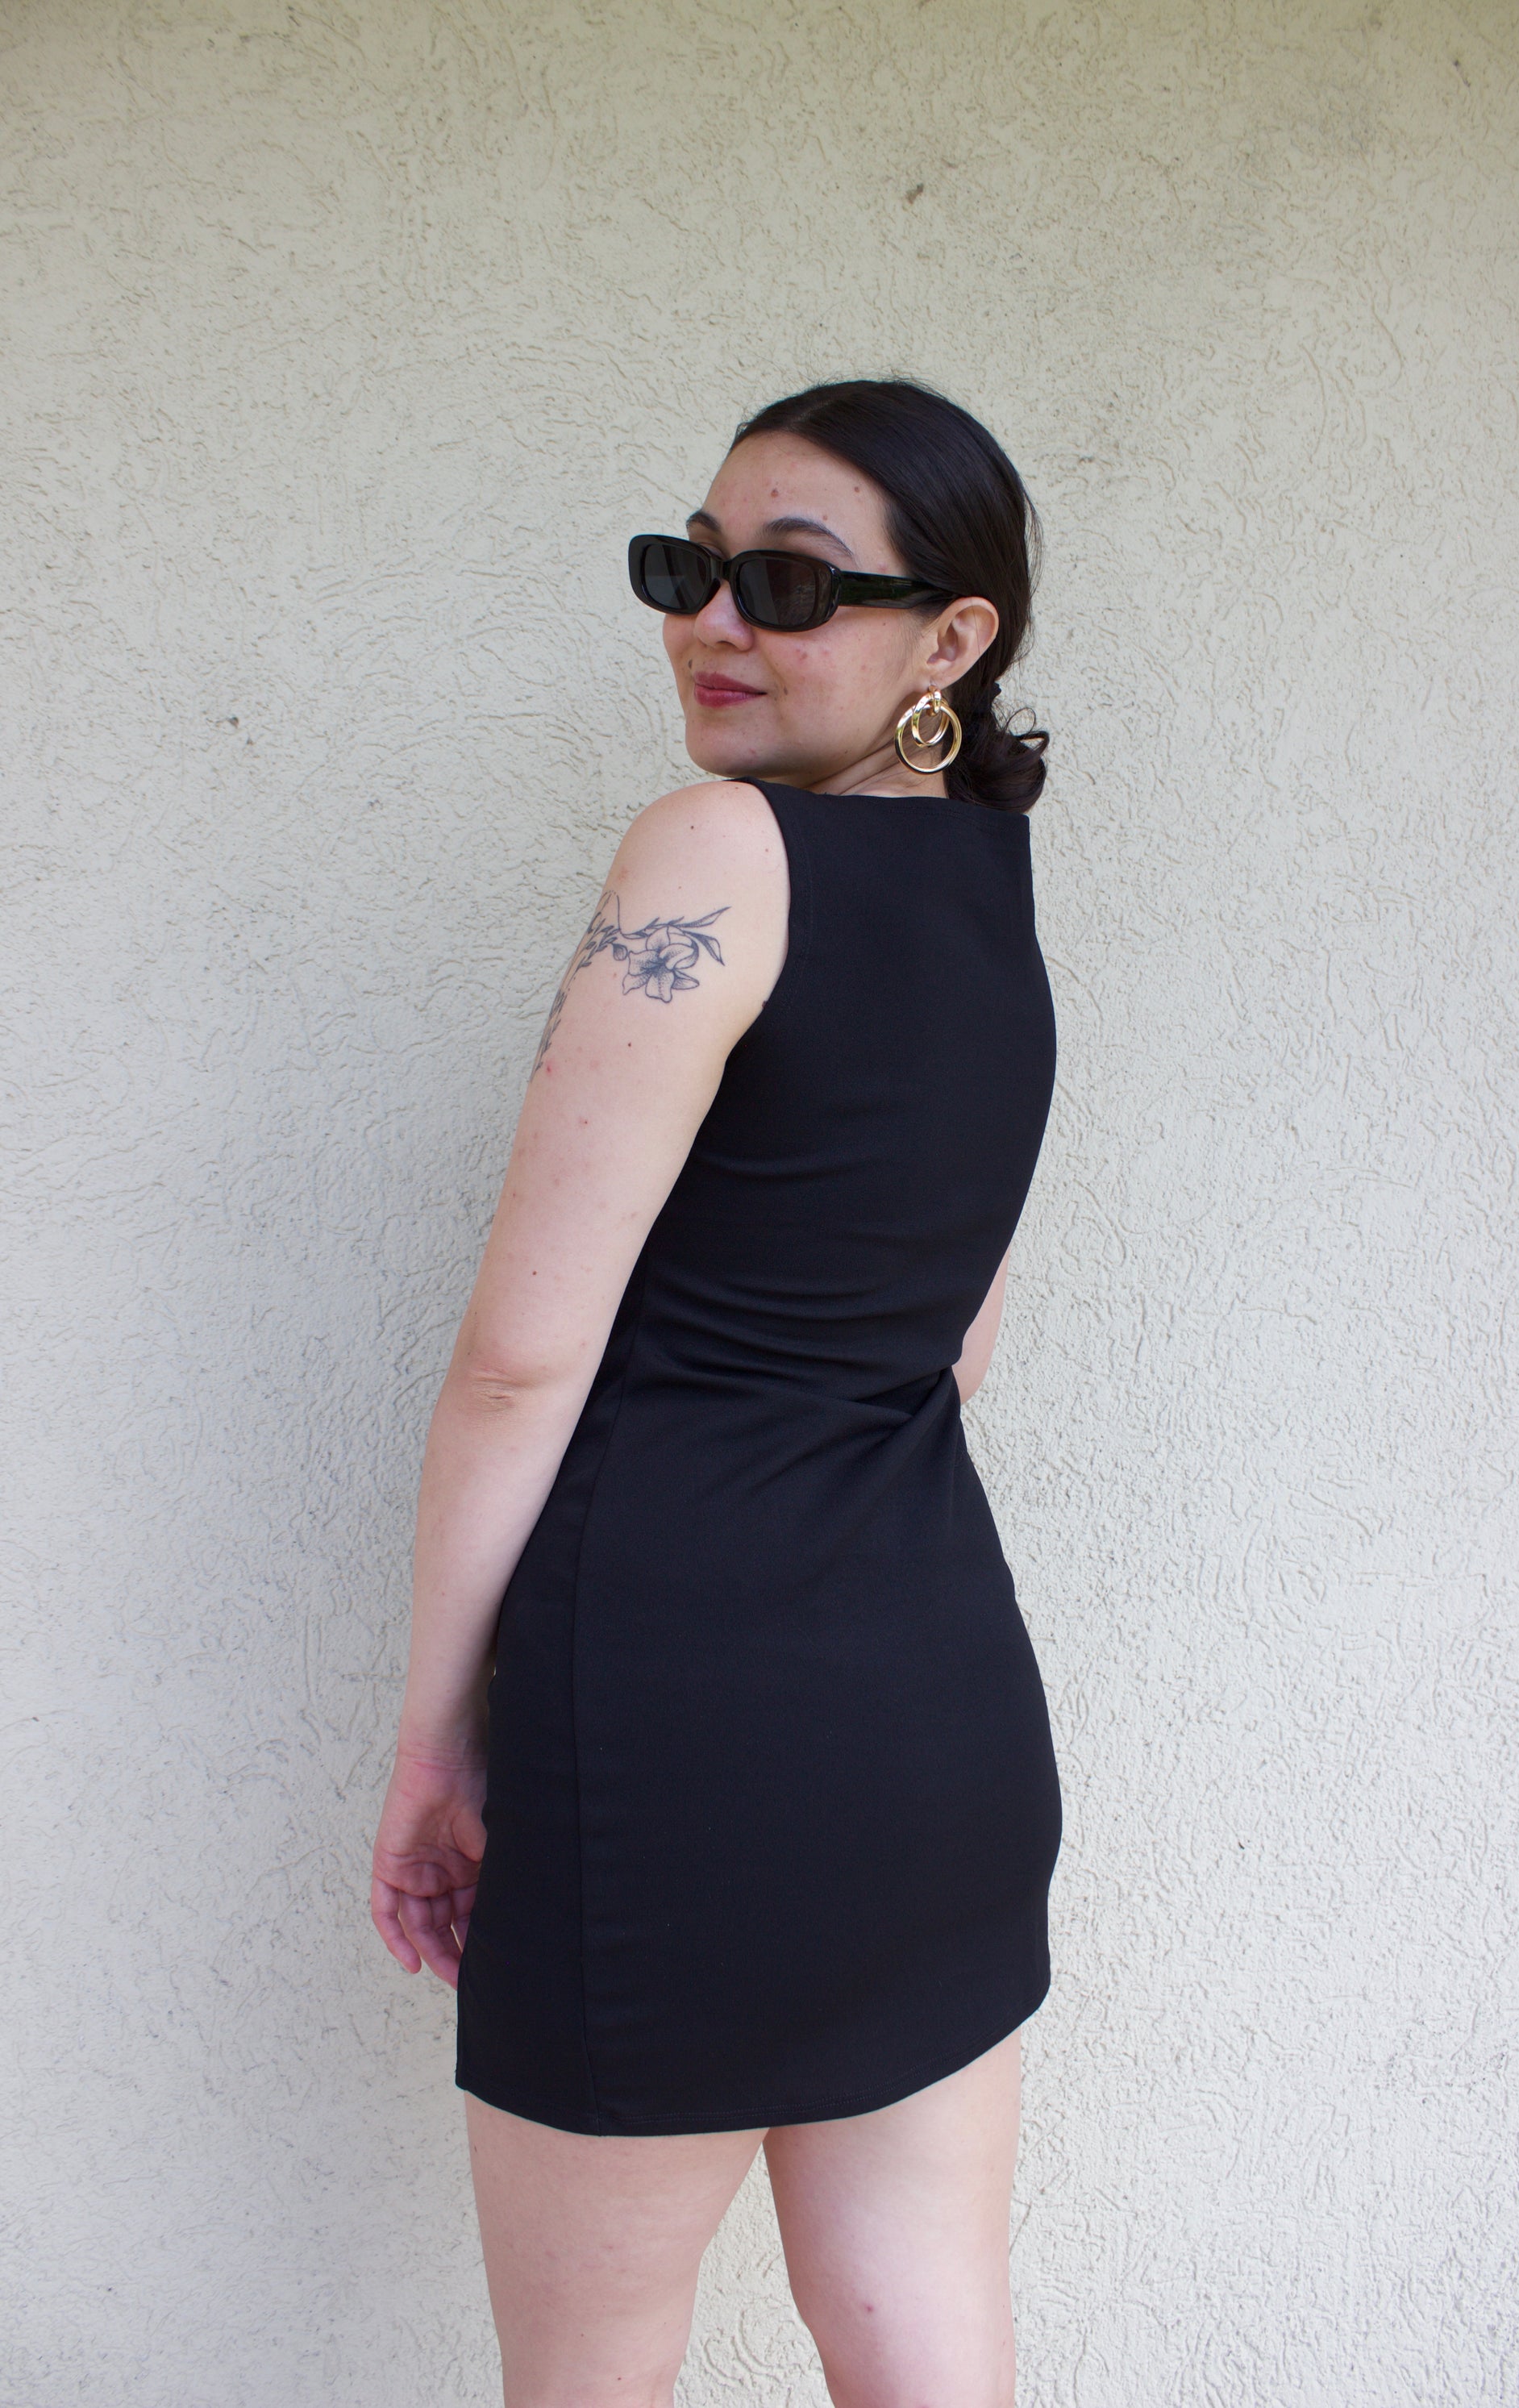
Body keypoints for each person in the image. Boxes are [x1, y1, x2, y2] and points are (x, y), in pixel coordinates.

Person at [371, 377, 1059, 2408]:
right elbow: (954, 1346)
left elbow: (523, 1354)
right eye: (688, 568)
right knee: (926, 2332)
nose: (714, 621)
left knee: (593, 2366)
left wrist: (434, 1736)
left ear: (952, 639)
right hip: (938, 1711)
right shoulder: (996, 901)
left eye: (792, 583)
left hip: (678, 1721)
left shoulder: (716, 851)